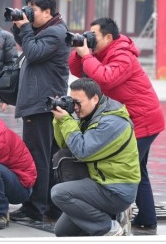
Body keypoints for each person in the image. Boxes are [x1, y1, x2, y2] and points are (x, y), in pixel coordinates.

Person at [68, 17, 165, 229]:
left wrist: (87, 56)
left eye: (94, 36)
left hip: (142, 120)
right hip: (133, 119)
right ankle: (147, 219)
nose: (90, 38)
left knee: (124, 169)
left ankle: (115, 215)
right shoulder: (100, 53)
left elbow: (106, 78)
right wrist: (79, 50)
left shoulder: (123, 54)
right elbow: (78, 71)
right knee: (138, 169)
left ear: (109, 37)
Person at [50, 77, 141, 236]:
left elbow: (82, 151)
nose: (75, 107)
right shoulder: (92, 114)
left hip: (116, 190)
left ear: (95, 99)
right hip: (100, 182)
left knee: (59, 193)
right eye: (72, 101)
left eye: (78, 103)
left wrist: (65, 120)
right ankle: (111, 219)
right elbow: (67, 145)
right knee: (63, 232)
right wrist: (59, 120)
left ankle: (109, 227)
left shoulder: (111, 122)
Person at [8, 0, 70, 222]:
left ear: (47, 11)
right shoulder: (48, 29)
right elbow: (27, 43)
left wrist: (24, 27)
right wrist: (19, 25)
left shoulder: (55, 33)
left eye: (33, 9)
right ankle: (51, 207)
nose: (29, 13)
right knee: (48, 156)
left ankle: (35, 209)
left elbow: (32, 53)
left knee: (37, 158)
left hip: (40, 104)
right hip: (43, 103)